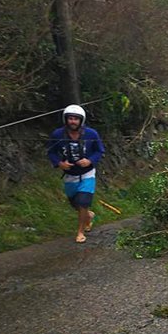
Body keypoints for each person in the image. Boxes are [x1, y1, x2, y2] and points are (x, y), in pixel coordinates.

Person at [47, 104, 105, 243]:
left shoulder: (91, 134)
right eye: (70, 118)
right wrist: (60, 163)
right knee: (75, 203)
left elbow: (100, 151)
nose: (73, 122)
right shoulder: (57, 135)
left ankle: (80, 232)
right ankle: (88, 216)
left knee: (83, 202)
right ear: (65, 119)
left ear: (81, 120)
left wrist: (90, 161)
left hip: (87, 173)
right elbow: (51, 152)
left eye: (76, 119)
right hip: (70, 174)